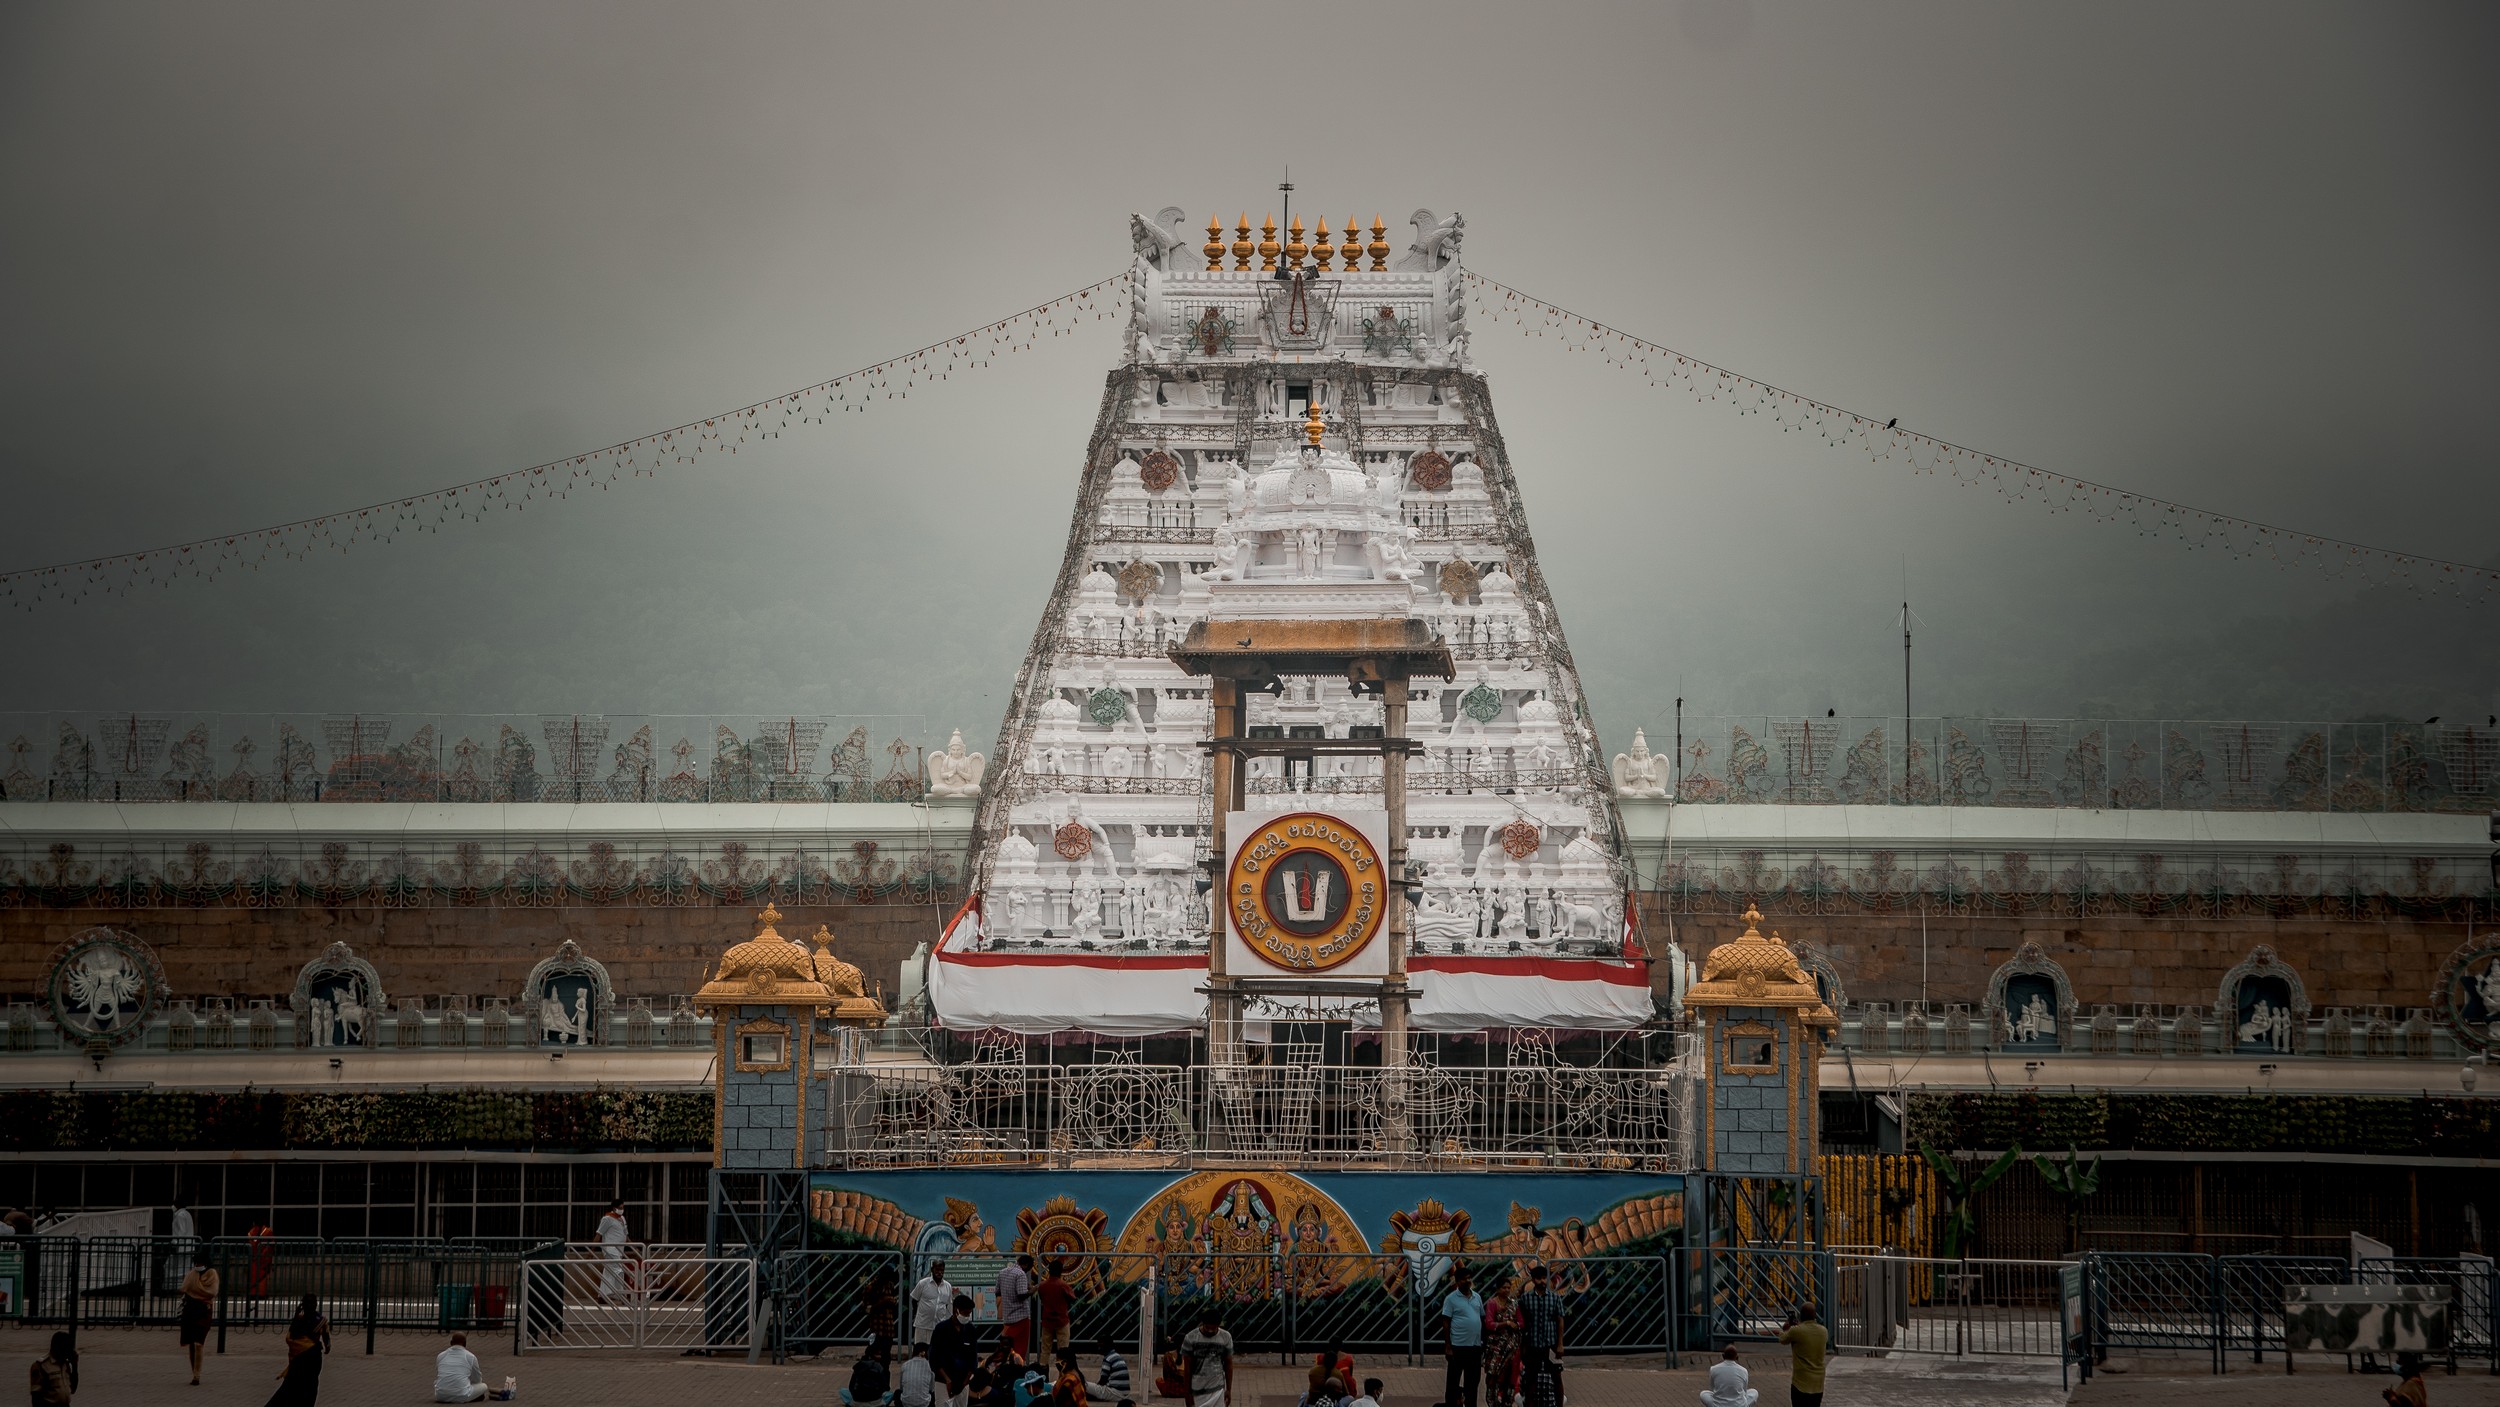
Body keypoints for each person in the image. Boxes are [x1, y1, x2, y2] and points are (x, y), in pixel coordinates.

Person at [266, 1294, 330, 1406]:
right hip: (308, 1358)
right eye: (308, 1303)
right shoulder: (315, 1320)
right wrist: (327, 1347)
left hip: (306, 1358)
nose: (311, 1306)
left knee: (295, 1386)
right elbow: (326, 1337)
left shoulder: (305, 1320)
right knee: (306, 1387)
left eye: (312, 1303)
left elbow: (292, 1336)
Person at [1441, 1266, 1486, 1407]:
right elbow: (1446, 1322)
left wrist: (1483, 1342)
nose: (1467, 1281)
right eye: (1464, 1279)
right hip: (1457, 1347)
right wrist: (1448, 1346)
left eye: (1469, 1278)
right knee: (1453, 1382)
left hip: (1474, 1347)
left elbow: (1482, 1319)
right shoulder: (1451, 1299)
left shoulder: (1477, 1297)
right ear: (1457, 1281)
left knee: (1472, 1383)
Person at [930, 1293, 980, 1407]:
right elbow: (934, 1359)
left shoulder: (970, 1329)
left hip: (963, 1382)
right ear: (956, 1310)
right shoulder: (941, 1329)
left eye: (969, 1313)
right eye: (965, 1313)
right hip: (943, 1381)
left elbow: (973, 1359)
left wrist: (965, 1382)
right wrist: (947, 1380)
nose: (967, 1316)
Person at [1480, 1273, 1523, 1407]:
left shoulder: (1514, 1303)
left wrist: (1516, 1325)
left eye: (1508, 1288)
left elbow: (1521, 1322)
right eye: (1504, 1287)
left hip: (1511, 1346)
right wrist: (1506, 1324)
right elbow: (1489, 1324)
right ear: (1498, 1289)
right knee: (1492, 1374)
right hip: (1495, 1346)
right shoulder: (1492, 1303)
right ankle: (1492, 1401)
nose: (1507, 1290)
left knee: (1510, 1375)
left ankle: (1507, 1401)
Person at [179, 1248, 220, 1385]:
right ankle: (194, 1374)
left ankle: (197, 1375)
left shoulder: (212, 1274)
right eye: (196, 1263)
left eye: (199, 1263)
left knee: (198, 1343)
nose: (197, 1266)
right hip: (190, 1310)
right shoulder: (192, 1274)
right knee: (191, 1343)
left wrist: (196, 1292)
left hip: (203, 1311)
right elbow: (185, 1287)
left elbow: (211, 1292)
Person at [1179, 1309, 1233, 1407]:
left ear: (1219, 1325)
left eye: (1213, 1328)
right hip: (1197, 1390)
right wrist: (1187, 1393)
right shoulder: (1191, 1338)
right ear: (1202, 1323)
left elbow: (1228, 1364)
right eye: (1207, 1327)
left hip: (1218, 1389)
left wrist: (1228, 1389)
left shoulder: (1226, 1337)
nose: (1210, 1331)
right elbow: (1187, 1368)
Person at [1778, 1306, 1828, 1407]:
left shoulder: (1796, 1331)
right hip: (1818, 1384)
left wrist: (1784, 1329)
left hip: (1801, 1383)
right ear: (1814, 1316)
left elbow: (1783, 1339)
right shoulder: (1823, 1331)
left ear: (1801, 1315)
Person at [433, 1332, 504, 1403]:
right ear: (465, 1344)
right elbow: (477, 1379)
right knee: (484, 1386)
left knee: (437, 1382)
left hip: (441, 1396)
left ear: (451, 1343)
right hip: (461, 1396)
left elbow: (440, 1374)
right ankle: (473, 1397)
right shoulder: (470, 1357)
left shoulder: (441, 1356)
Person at [1036, 1261, 1077, 1362]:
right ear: (1061, 1271)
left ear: (1049, 1271)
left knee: (1045, 1349)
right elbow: (1073, 1297)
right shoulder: (1063, 1285)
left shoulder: (1042, 1285)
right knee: (1063, 1349)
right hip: (1061, 1320)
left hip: (1047, 1321)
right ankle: (1062, 1373)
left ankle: (1043, 1371)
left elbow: (1041, 1297)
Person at [997, 1255, 1035, 1359]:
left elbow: (998, 1292)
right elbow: (1021, 1295)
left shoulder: (1002, 1272)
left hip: (1008, 1316)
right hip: (1021, 1317)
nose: (1028, 1271)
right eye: (1030, 1267)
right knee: (1020, 1349)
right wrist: (1033, 1290)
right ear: (1026, 1265)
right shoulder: (1021, 1274)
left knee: (1005, 1347)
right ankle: (1018, 1368)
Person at [911, 1261, 957, 1349]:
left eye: (941, 1270)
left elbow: (948, 1307)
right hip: (923, 1325)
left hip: (939, 1326)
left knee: (937, 1351)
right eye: (937, 1270)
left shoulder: (947, 1286)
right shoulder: (923, 1283)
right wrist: (916, 1315)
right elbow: (914, 1299)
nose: (939, 1272)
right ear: (932, 1270)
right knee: (920, 1350)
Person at [595, 1200, 631, 1304]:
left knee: (608, 1272)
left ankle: (602, 1296)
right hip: (610, 1249)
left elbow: (625, 1235)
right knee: (618, 1270)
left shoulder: (622, 1219)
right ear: (614, 1208)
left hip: (619, 1249)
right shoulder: (607, 1219)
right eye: (620, 1207)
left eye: (623, 1207)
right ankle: (621, 1295)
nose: (621, 1210)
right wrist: (591, 1250)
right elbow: (599, 1234)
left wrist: (634, 1247)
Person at [27, 1331, 76, 1405]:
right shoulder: (41, 1366)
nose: (70, 1352)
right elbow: (36, 1397)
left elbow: (73, 1389)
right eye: (68, 1349)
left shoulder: (66, 1365)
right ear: (59, 1348)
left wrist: (75, 1366)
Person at [846, 1340, 896, 1407]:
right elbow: (884, 1387)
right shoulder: (879, 1367)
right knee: (890, 1394)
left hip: (857, 1401)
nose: (880, 1356)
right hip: (875, 1402)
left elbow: (851, 1386)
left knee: (843, 1391)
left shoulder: (858, 1366)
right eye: (878, 1354)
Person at [864, 1268, 902, 1348]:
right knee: (875, 1347)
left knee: (887, 1348)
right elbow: (867, 1309)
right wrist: (883, 1301)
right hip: (877, 1323)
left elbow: (893, 1300)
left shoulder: (890, 1285)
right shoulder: (871, 1287)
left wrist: (893, 1301)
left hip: (888, 1322)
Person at [898, 1342, 938, 1407]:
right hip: (925, 1404)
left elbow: (901, 1387)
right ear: (924, 1352)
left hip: (905, 1404)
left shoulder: (905, 1365)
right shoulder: (930, 1366)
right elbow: (931, 1388)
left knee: (897, 1393)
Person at [1090, 1340, 1130, 1405]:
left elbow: (1103, 1381)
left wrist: (1095, 1390)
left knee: (1086, 1385)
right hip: (1124, 1393)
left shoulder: (1108, 1359)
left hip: (1115, 1393)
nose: (1098, 1349)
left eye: (1100, 1346)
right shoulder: (1117, 1355)